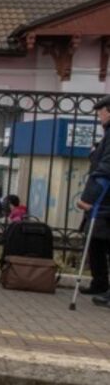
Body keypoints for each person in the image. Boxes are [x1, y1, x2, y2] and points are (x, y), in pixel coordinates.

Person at [76, 95, 110, 302]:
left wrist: (89, 198)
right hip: (104, 201)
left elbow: (106, 168)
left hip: (104, 200)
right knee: (96, 242)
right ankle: (100, 283)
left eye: (101, 113)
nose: (99, 117)